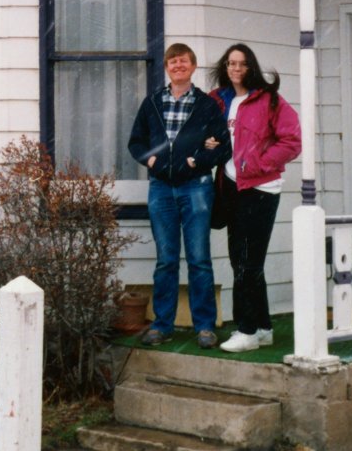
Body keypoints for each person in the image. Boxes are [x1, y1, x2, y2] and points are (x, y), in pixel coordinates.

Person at [128, 43, 231, 348]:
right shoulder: (152, 103)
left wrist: (196, 161)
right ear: (166, 67)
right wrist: (152, 161)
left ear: (193, 66)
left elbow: (222, 146)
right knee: (166, 260)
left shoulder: (206, 105)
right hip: (161, 189)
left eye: (183, 61)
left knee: (199, 259)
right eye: (173, 62)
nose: (178, 66)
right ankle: (162, 325)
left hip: (196, 187)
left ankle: (205, 326)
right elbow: (136, 142)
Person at [206, 43, 301, 353]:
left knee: (247, 261)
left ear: (251, 67)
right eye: (231, 63)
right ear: (225, 67)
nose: (236, 68)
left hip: (260, 189)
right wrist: (208, 142)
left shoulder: (269, 100)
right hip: (232, 187)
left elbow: (291, 141)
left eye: (242, 63)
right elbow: (209, 133)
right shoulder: (220, 100)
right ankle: (262, 328)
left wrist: (259, 163)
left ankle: (245, 331)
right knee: (244, 261)